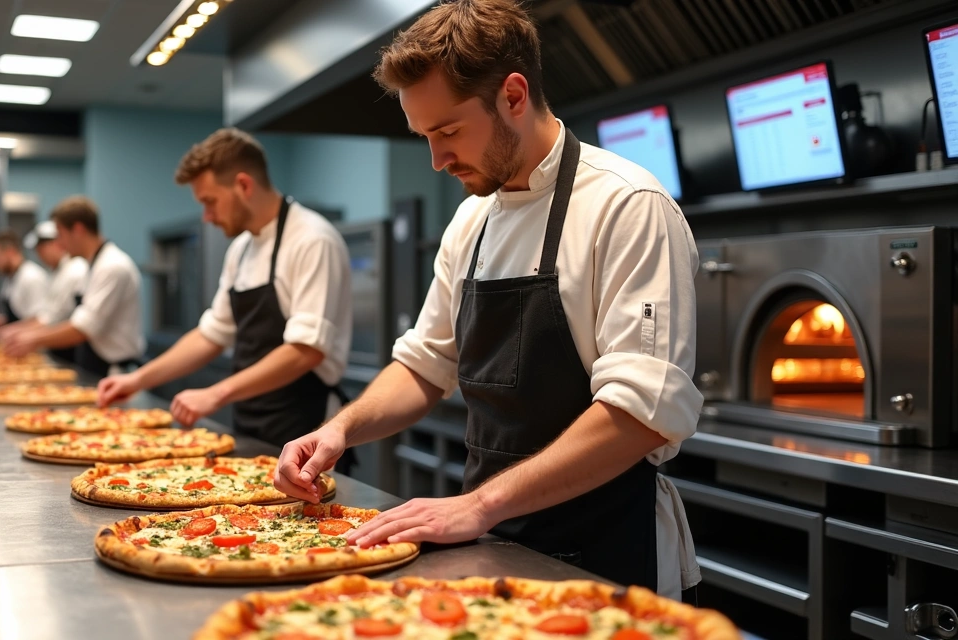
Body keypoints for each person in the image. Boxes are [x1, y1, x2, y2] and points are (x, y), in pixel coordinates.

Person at [273, 0, 703, 601]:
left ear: (514, 96)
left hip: (603, 552)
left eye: (447, 131)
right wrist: (339, 430)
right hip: (491, 541)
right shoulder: (471, 220)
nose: (437, 159)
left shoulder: (627, 207)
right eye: (424, 137)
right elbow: (425, 366)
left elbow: (640, 414)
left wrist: (478, 505)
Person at [98, 128, 354, 465]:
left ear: (244, 186)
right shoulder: (241, 249)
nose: (206, 216)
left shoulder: (312, 240)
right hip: (251, 423)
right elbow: (211, 334)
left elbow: (304, 352)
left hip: (308, 431)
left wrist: (215, 394)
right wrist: (136, 379)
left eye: (209, 201)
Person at [4, 196, 145, 377]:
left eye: (61, 235)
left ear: (78, 230)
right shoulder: (91, 266)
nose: (60, 244)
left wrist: (33, 339)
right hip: (95, 365)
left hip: (115, 371)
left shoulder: (112, 266)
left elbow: (84, 327)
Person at [0, 220, 90, 364]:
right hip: (58, 348)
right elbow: (48, 315)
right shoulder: (57, 273)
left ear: (55, 243)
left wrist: (28, 337)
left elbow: (53, 319)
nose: (40, 255)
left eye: (41, 249)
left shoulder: (74, 270)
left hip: (71, 351)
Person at [0, 229, 49, 335]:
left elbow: (42, 321)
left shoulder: (32, 277)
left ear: (10, 252)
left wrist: (8, 331)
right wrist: (3, 321)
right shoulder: (11, 278)